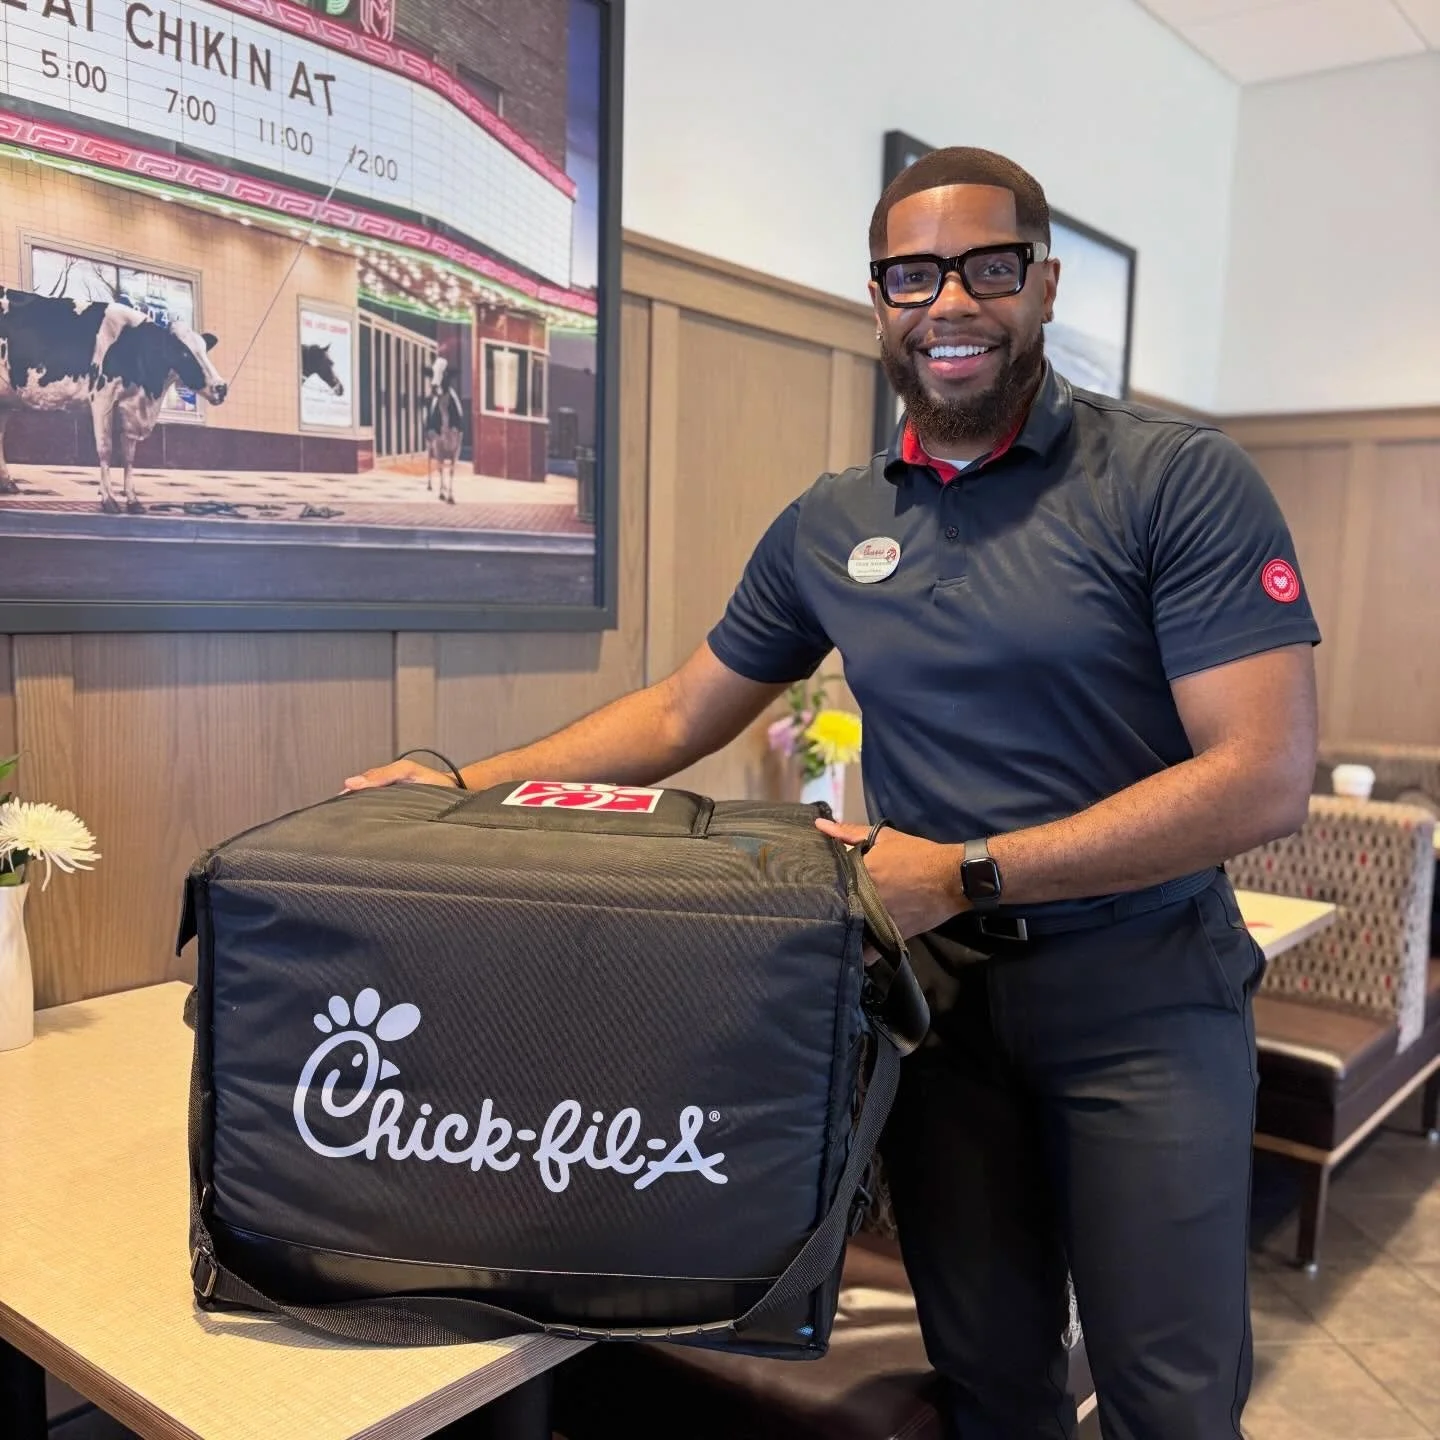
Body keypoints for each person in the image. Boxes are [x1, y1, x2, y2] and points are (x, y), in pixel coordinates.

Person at [345, 147, 1320, 1440]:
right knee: (990, 1379)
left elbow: (1264, 778)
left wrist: (967, 868)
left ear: (1042, 285)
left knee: (1173, 1400)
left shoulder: (1173, 482)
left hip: (1145, 999)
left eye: (988, 268)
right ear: (877, 302)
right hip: (940, 1010)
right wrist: (460, 781)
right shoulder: (833, 520)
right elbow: (682, 711)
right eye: (913, 276)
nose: (951, 304)